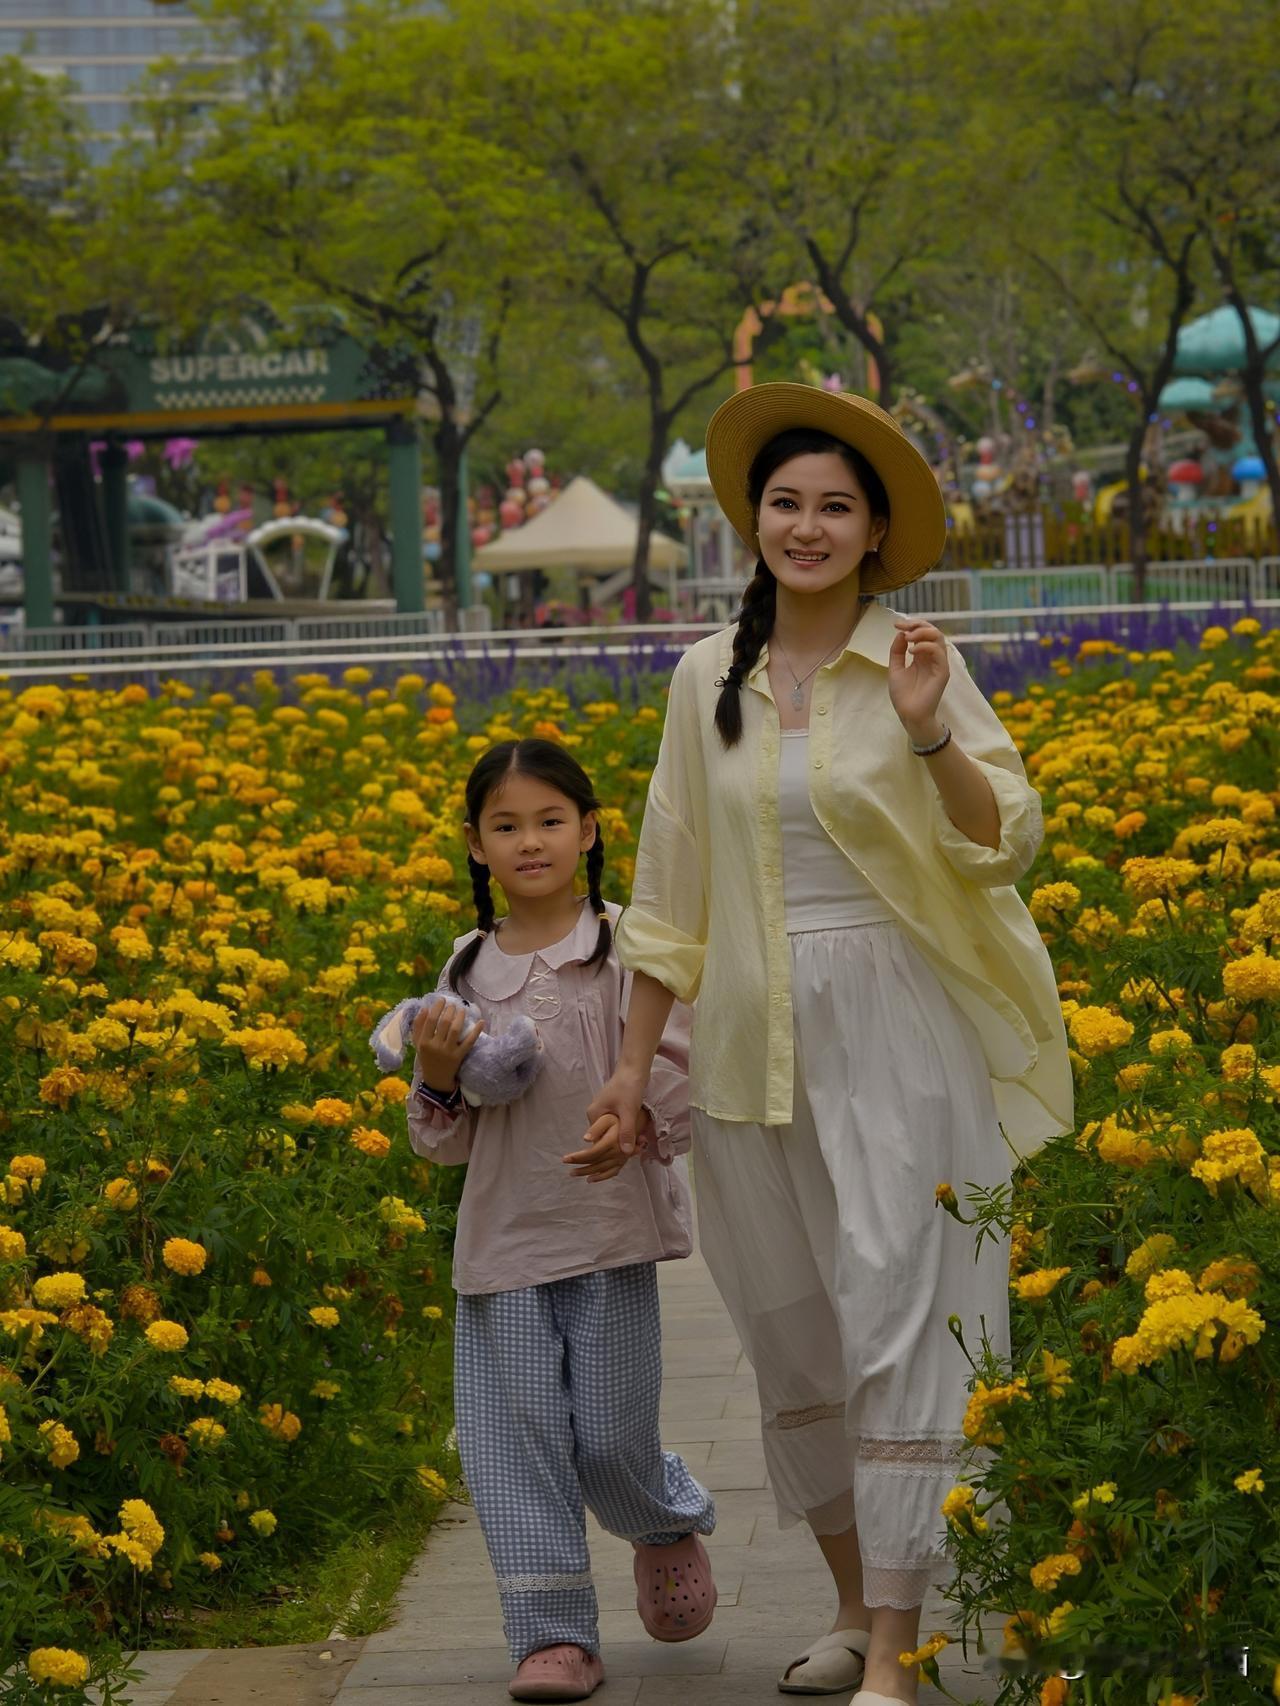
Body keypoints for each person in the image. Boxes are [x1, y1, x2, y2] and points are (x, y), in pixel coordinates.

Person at [588, 384, 1072, 1706]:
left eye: (833, 509)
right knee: (796, 1333)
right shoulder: (708, 676)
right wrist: (633, 1067)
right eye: (785, 504)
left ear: (873, 535)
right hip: (750, 1048)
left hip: (897, 1041)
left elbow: (1004, 839)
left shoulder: (916, 658)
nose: (804, 527)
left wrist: (927, 731)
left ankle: (903, 1657)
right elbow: (667, 884)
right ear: (754, 523)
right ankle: (856, 1609)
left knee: (899, 1319)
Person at [405, 738, 716, 1704]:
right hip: (502, 1244)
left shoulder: (626, 946)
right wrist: (440, 1073)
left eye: (549, 821)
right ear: (475, 844)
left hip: (608, 1235)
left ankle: (661, 1516)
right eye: (506, 826)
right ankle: (552, 1636)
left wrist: (638, 1123)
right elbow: (439, 1144)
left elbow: (685, 1065)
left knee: (612, 1436)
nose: (529, 842)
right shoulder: (461, 971)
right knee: (513, 1443)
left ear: (590, 831)